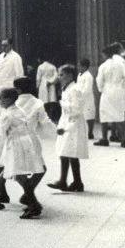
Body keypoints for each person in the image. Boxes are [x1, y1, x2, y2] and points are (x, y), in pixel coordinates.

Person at [0, 88, 45, 219]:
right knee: (17, 173)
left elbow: (1, 133)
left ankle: (34, 205)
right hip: (25, 142)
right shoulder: (19, 110)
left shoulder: (6, 114)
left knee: (20, 176)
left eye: (0, 98)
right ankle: (31, 202)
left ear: (8, 100)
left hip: (15, 145)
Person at [48, 65, 87, 193]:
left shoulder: (74, 89)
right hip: (66, 121)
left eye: (61, 75)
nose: (59, 78)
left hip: (73, 124)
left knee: (69, 152)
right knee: (66, 152)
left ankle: (69, 181)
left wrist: (62, 104)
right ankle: (72, 181)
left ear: (70, 76)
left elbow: (76, 109)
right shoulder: (66, 89)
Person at [95, 43, 125, 147]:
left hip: (107, 90)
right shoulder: (120, 64)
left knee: (104, 114)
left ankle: (104, 138)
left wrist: (101, 89)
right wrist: (124, 89)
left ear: (105, 55)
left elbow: (99, 80)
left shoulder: (103, 66)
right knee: (119, 114)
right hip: (118, 89)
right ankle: (123, 138)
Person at [77, 59, 96, 139]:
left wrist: (81, 94)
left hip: (87, 98)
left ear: (84, 66)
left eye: (79, 65)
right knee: (82, 115)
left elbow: (87, 88)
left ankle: (90, 132)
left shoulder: (88, 76)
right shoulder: (79, 75)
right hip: (80, 98)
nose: (78, 67)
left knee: (89, 116)